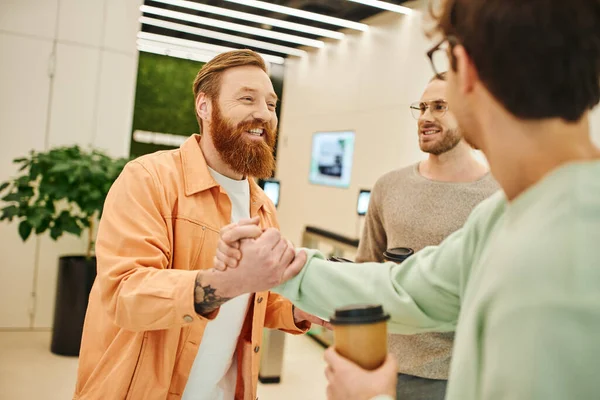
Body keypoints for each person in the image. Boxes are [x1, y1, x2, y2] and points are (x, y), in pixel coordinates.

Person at [217, 0, 600, 399]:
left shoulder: (568, 249)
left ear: (464, 68)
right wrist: (278, 268)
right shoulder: (504, 217)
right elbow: (404, 290)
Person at [73, 49, 326, 400]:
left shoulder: (263, 207)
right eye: (247, 99)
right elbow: (125, 293)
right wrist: (227, 281)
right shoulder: (149, 179)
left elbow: (256, 300)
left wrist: (301, 309)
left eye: (271, 104)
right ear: (204, 107)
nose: (263, 114)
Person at [356, 73, 498, 399]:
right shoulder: (388, 187)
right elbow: (365, 272)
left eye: (439, 107)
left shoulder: (496, 196)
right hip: (384, 369)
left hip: (459, 378)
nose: (425, 118)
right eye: (421, 108)